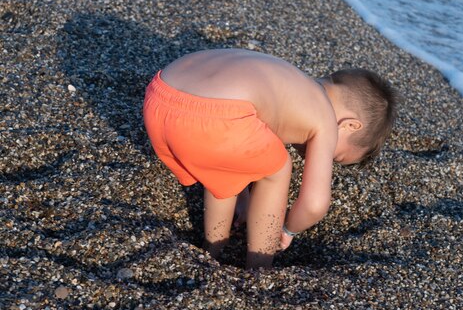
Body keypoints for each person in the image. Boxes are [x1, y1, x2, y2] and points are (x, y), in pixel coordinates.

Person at [143, 49, 397, 268]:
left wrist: (243, 197)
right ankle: (260, 265)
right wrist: (287, 230)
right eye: (336, 156)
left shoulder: (289, 83)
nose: (324, 158)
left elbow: (234, 152)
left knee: (231, 155)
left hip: (160, 95)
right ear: (350, 125)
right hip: (216, 118)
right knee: (278, 168)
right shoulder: (325, 117)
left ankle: (213, 250)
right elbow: (314, 204)